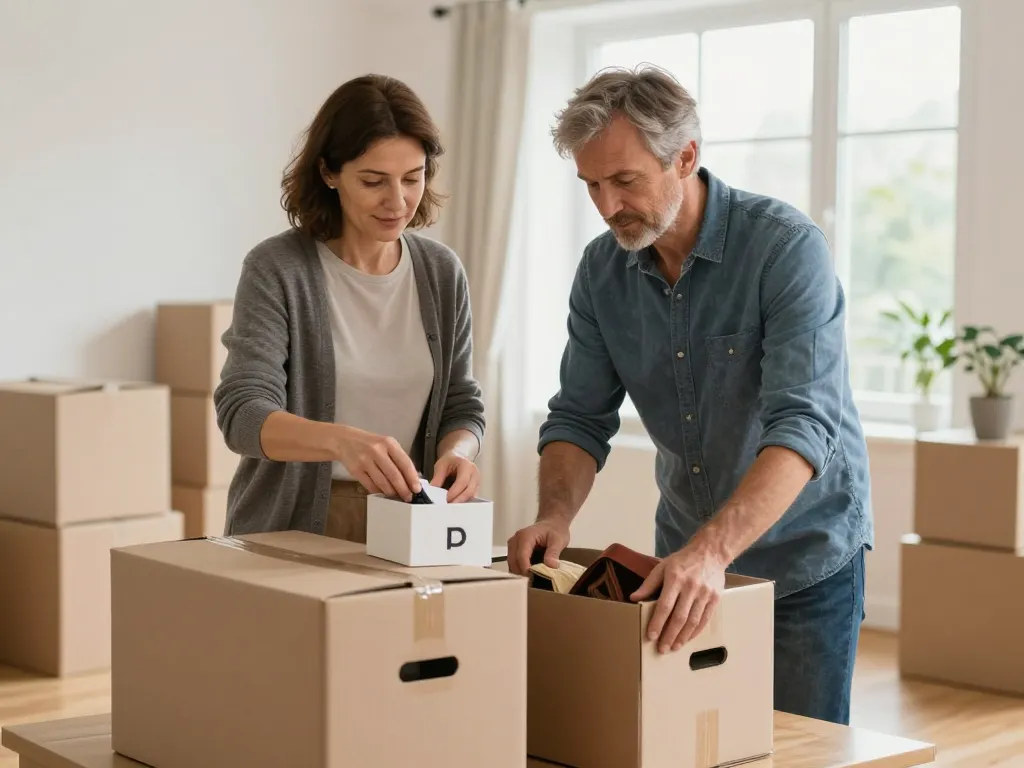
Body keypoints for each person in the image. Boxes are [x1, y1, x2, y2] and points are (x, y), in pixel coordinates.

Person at [506, 65, 873, 726]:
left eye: (625, 181)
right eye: (591, 184)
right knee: (689, 742)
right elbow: (579, 416)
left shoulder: (785, 250)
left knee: (797, 752)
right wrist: (556, 516)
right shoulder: (601, 271)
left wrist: (712, 553)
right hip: (680, 557)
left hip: (804, 556)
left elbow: (803, 424)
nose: (608, 206)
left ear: (687, 158)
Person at [214, 74, 485, 543]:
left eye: (412, 178)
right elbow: (242, 414)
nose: (397, 201)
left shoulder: (441, 272)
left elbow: (461, 401)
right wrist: (341, 441)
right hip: (292, 525)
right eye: (373, 181)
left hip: (408, 526)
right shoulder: (277, 268)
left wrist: (460, 451)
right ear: (328, 173)